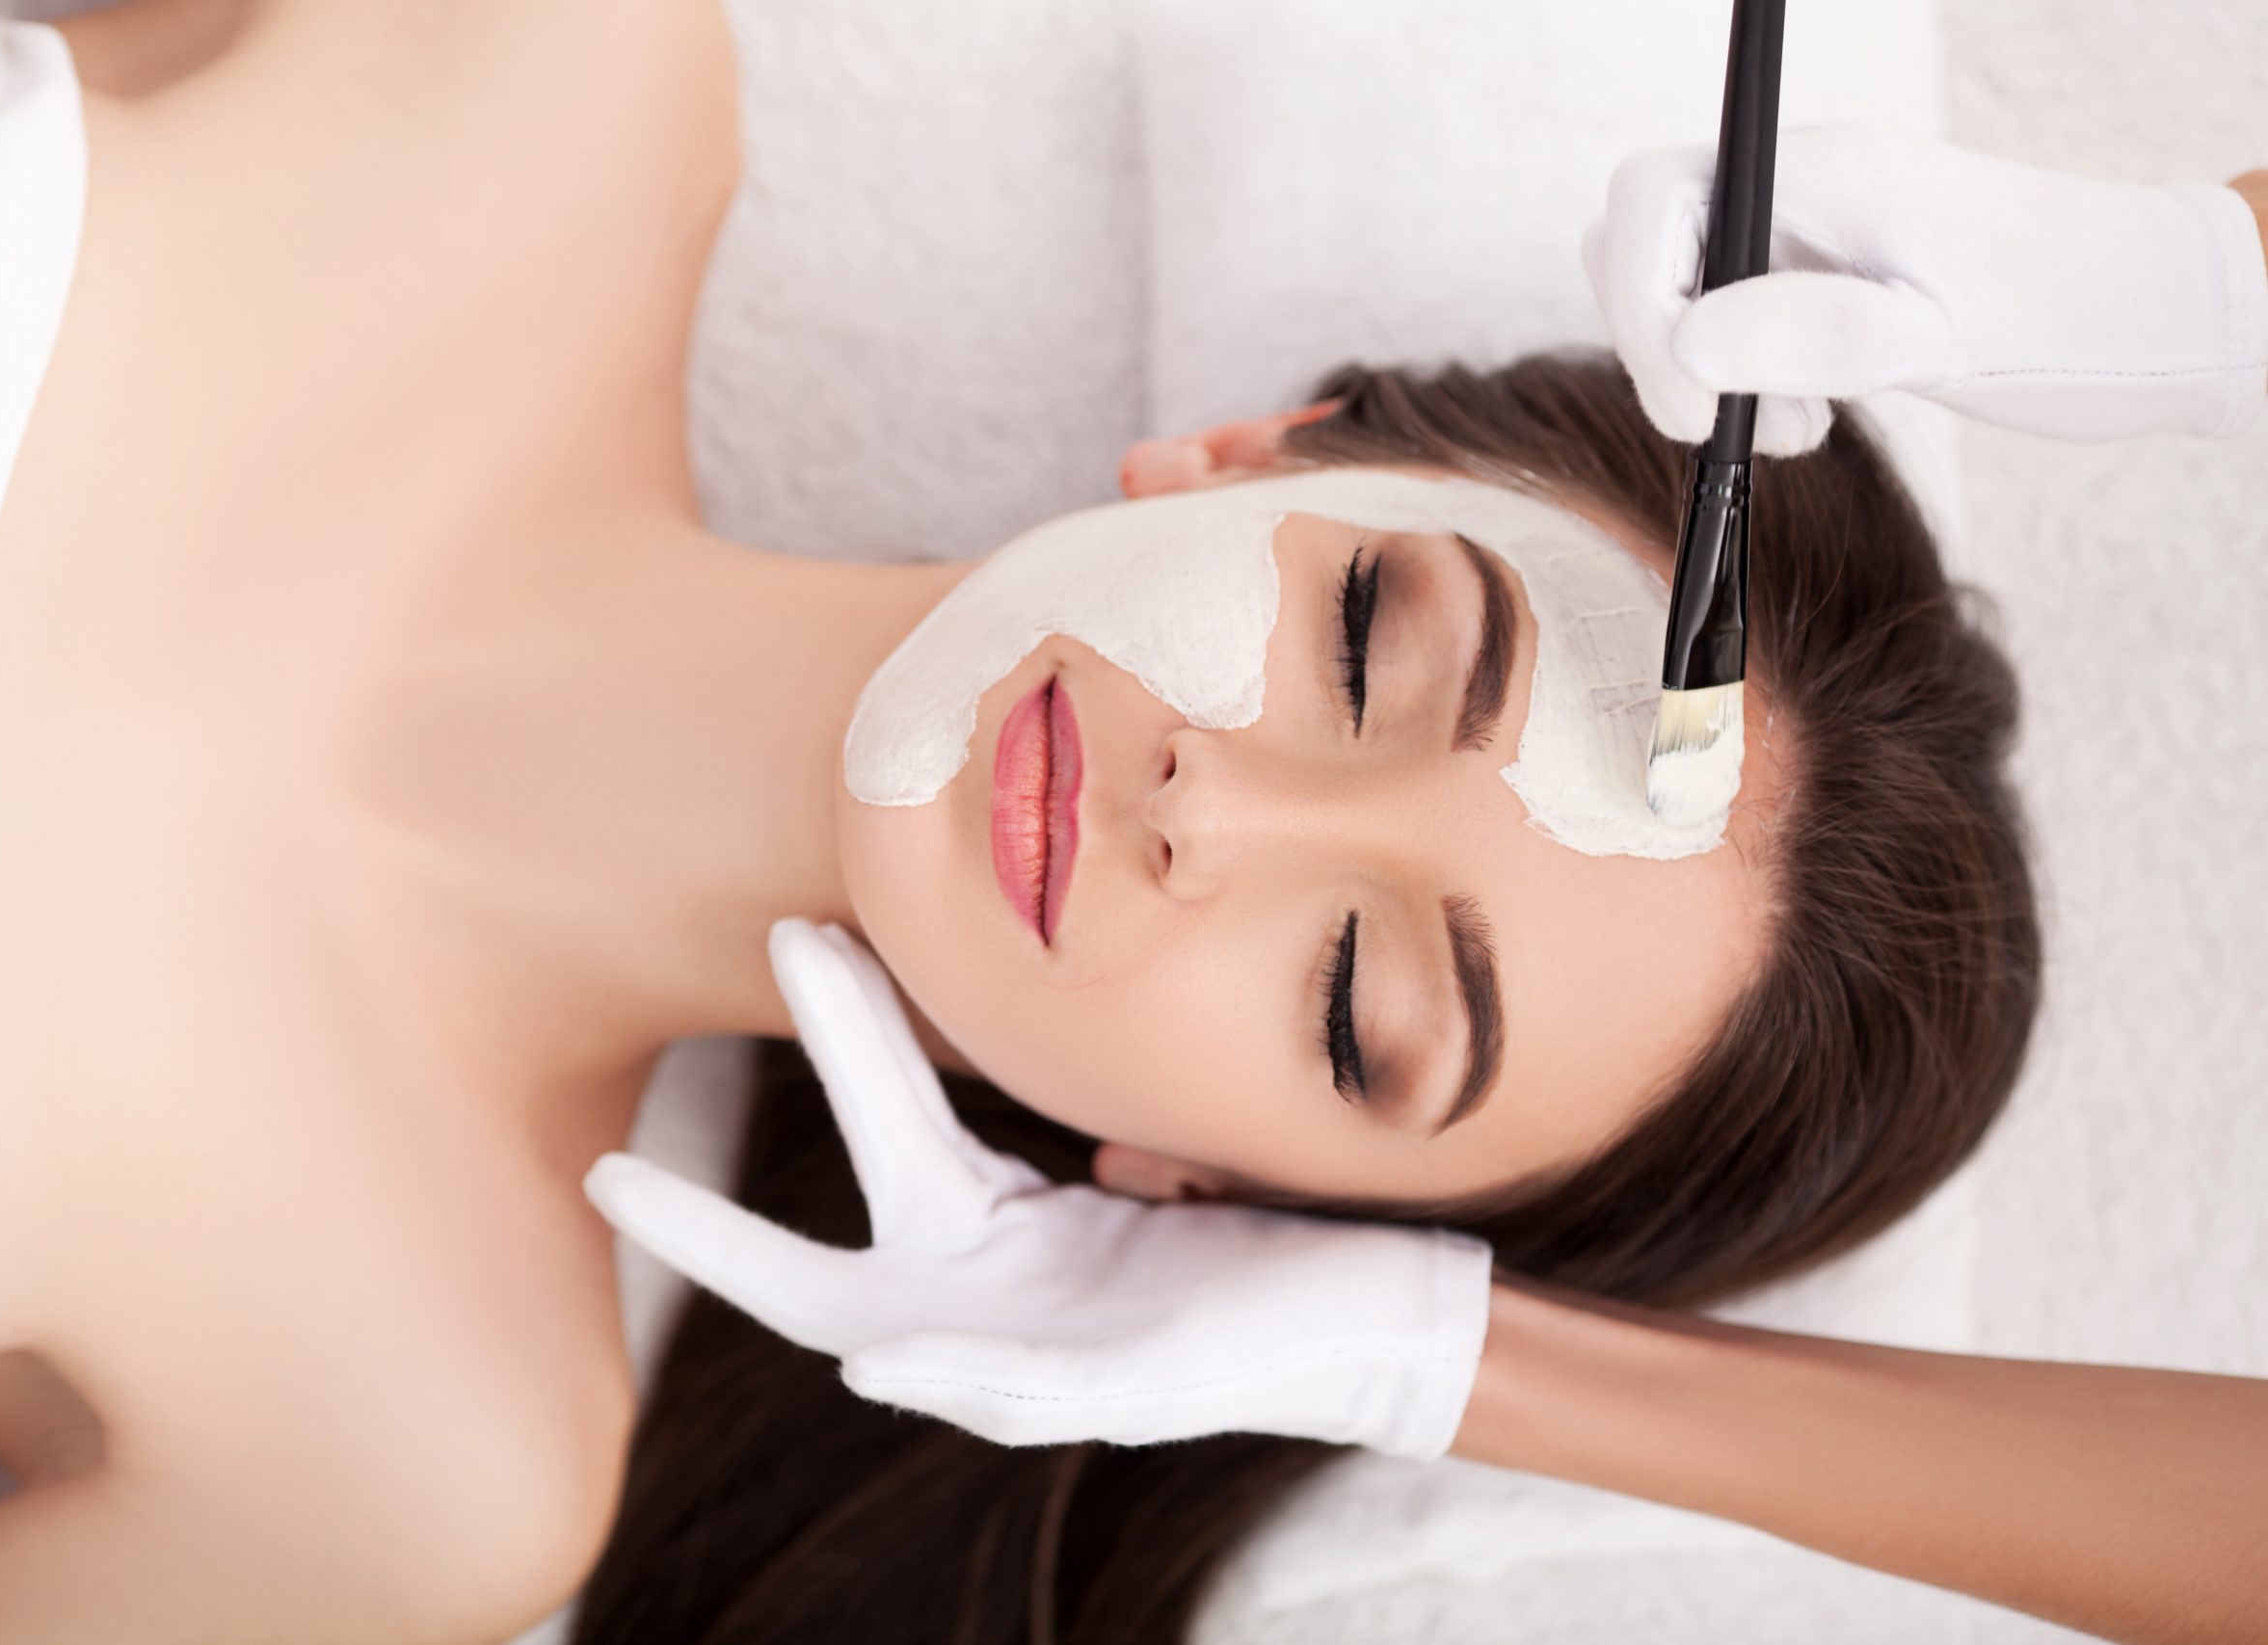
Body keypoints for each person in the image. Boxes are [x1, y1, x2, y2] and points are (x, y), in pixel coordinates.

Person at [596, 127, 2268, 1645]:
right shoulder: (565, 86)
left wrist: (1439, 1364)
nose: (1214, 812)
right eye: (1360, 643)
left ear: (1208, 1205)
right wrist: (2206, 280)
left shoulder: (472, 1463)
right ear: (1258, 454)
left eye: (1347, 1005)